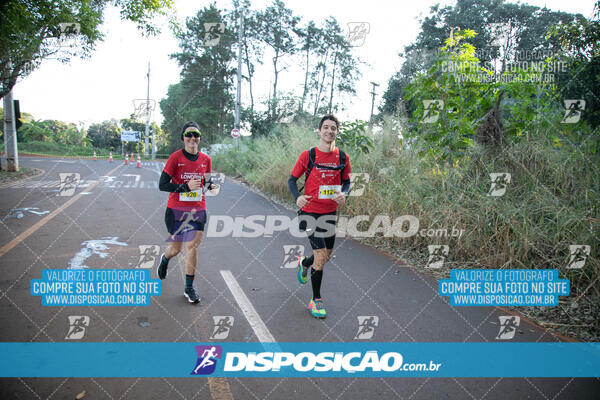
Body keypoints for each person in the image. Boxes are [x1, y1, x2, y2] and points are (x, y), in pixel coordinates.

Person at [288, 115, 352, 318]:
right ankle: (316, 300)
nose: (329, 131)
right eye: (325, 127)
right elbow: (292, 180)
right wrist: (297, 197)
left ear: (337, 132)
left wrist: (345, 193)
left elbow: (347, 182)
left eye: (333, 128)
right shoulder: (308, 155)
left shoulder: (342, 157)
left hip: (329, 213)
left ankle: (304, 264)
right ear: (319, 131)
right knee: (321, 254)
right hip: (309, 211)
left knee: (326, 256)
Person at [157, 121, 217, 304]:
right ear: (183, 137)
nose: (192, 138)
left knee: (192, 247)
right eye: (189, 135)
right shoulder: (175, 158)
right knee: (176, 249)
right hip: (176, 210)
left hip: (198, 208)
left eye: (196, 135)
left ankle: (189, 288)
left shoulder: (206, 160)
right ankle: (165, 258)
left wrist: (211, 186)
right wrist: (185, 187)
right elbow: (162, 185)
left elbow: (206, 182)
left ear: (199, 138)